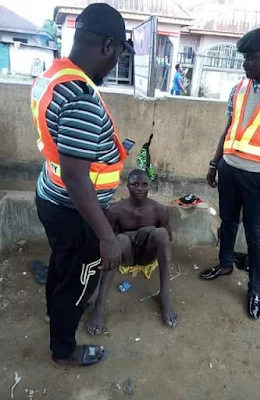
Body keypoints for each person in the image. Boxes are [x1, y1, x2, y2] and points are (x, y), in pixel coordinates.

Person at [31, 3, 135, 367]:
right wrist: (107, 236)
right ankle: (64, 351)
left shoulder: (55, 75)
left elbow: (71, 149)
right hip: (76, 211)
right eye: (119, 54)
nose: (116, 63)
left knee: (62, 265)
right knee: (78, 282)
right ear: (108, 46)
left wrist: (107, 149)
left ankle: (52, 314)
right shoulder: (82, 97)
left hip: (51, 195)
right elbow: (78, 177)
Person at [200, 27, 260, 319]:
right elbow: (229, 129)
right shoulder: (239, 88)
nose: (245, 64)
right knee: (228, 222)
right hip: (230, 171)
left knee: (255, 234)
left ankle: (254, 288)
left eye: (251, 58)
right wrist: (214, 163)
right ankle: (226, 263)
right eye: (244, 58)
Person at [86, 169, 178, 335]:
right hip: (126, 256)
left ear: (149, 186)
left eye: (144, 184)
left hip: (147, 256)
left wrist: (150, 229)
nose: (140, 188)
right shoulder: (116, 210)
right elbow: (109, 240)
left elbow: (168, 238)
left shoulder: (159, 210)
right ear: (127, 185)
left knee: (161, 233)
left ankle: (165, 295)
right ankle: (100, 304)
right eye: (135, 184)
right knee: (120, 240)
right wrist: (132, 234)